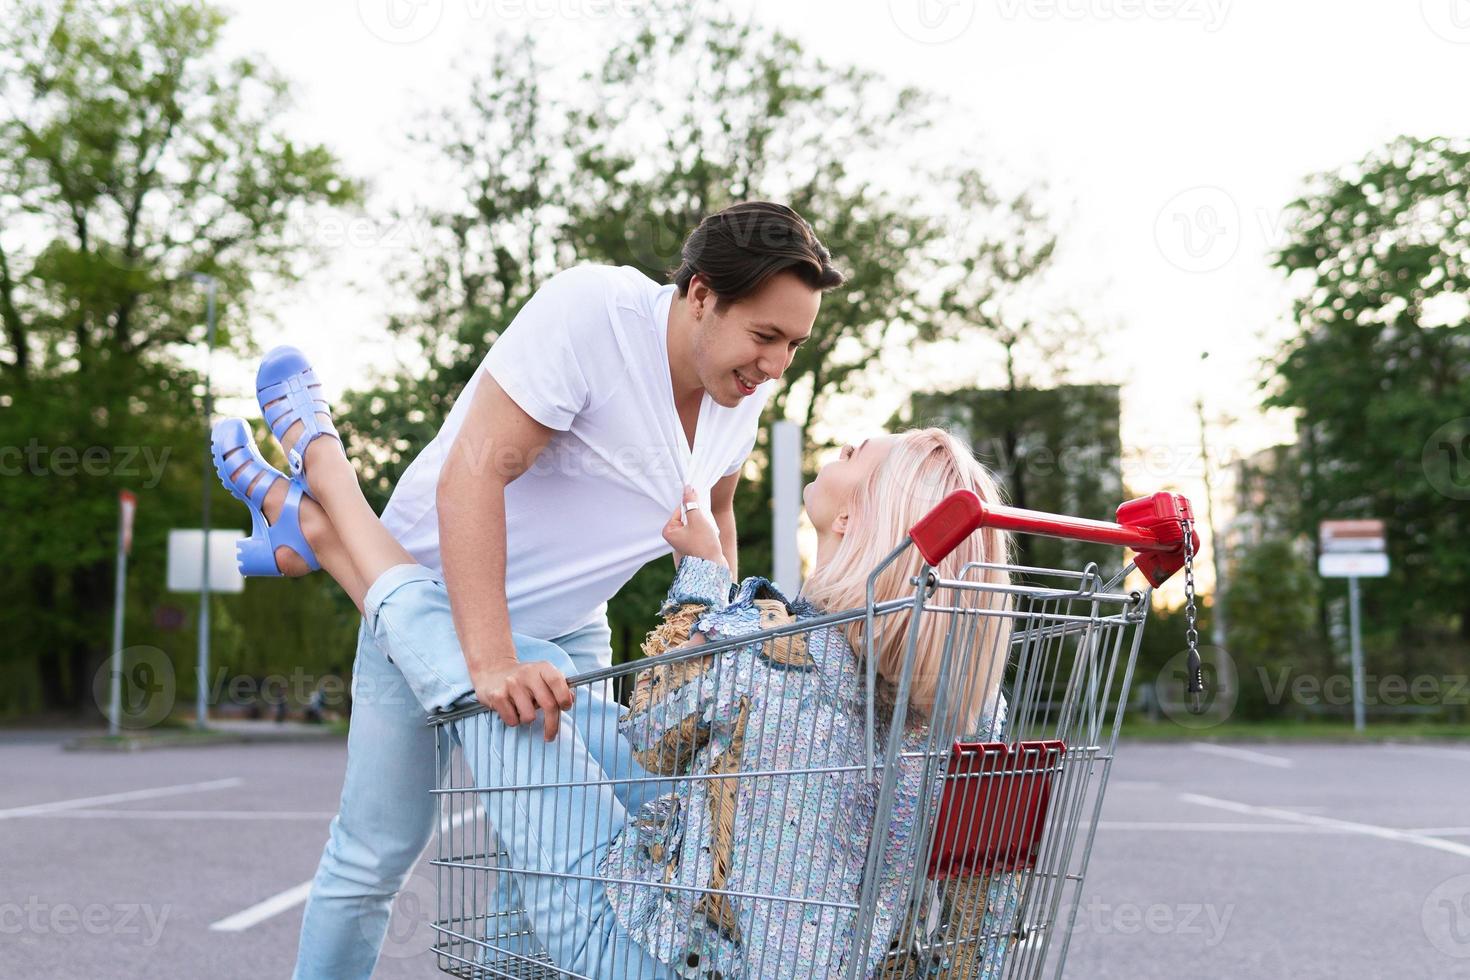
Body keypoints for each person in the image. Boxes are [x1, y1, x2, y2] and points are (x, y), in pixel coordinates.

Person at [214, 352, 1020, 976]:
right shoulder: (970, 708)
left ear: (855, 515)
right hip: (827, 955)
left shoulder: (787, 654)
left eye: (852, 453)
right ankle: (316, 530)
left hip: (652, 952)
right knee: (527, 669)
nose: (835, 451)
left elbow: (656, 728)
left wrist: (703, 572)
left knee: (499, 673)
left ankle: (326, 491)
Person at [210, 201, 844, 978]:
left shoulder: (733, 402)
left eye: (794, 345)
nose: (777, 364)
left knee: (570, 861)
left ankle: (311, 521)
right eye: (766, 336)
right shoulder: (591, 317)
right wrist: (490, 658)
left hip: (573, 628)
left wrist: (716, 645)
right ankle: (322, 509)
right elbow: (473, 472)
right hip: (442, 597)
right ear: (702, 295)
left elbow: (711, 512)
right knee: (376, 850)